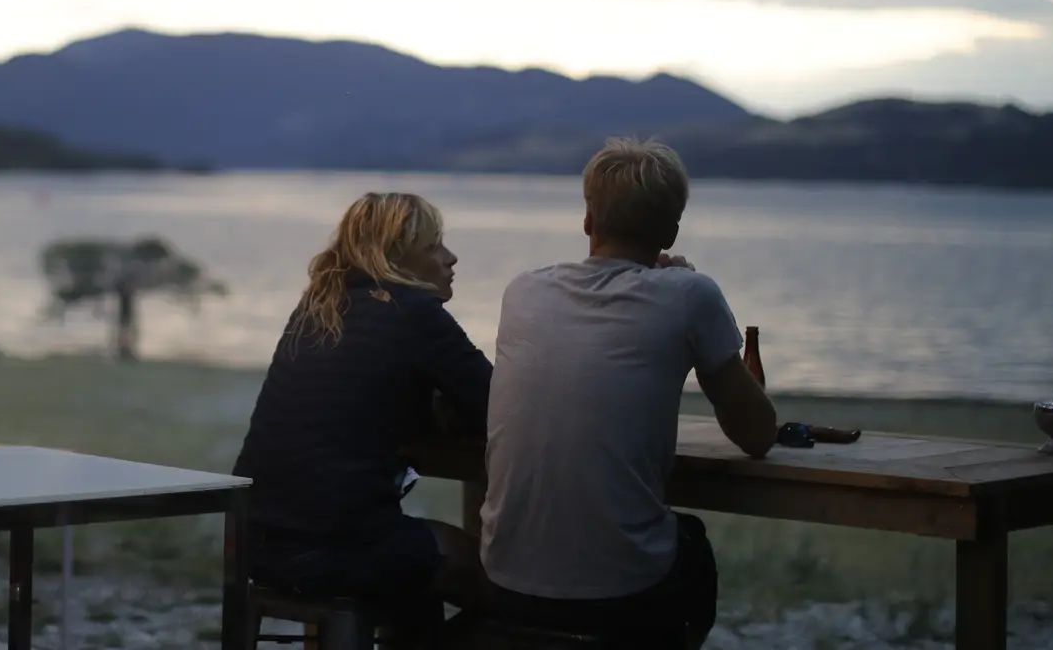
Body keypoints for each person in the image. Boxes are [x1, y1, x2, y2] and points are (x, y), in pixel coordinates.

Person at [479, 139, 777, 650]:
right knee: (692, 548)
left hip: (504, 579)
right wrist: (687, 290)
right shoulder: (689, 294)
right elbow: (757, 434)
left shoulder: (522, 291)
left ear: (588, 220)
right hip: (622, 593)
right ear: (671, 231)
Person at [231, 193, 492, 637]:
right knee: (490, 576)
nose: (451, 258)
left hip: (254, 541)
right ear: (395, 258)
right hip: (336, 548)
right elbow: (499, 407)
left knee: (413, 584)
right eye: (433, 247)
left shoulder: (316, 308)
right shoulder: (415, 314)